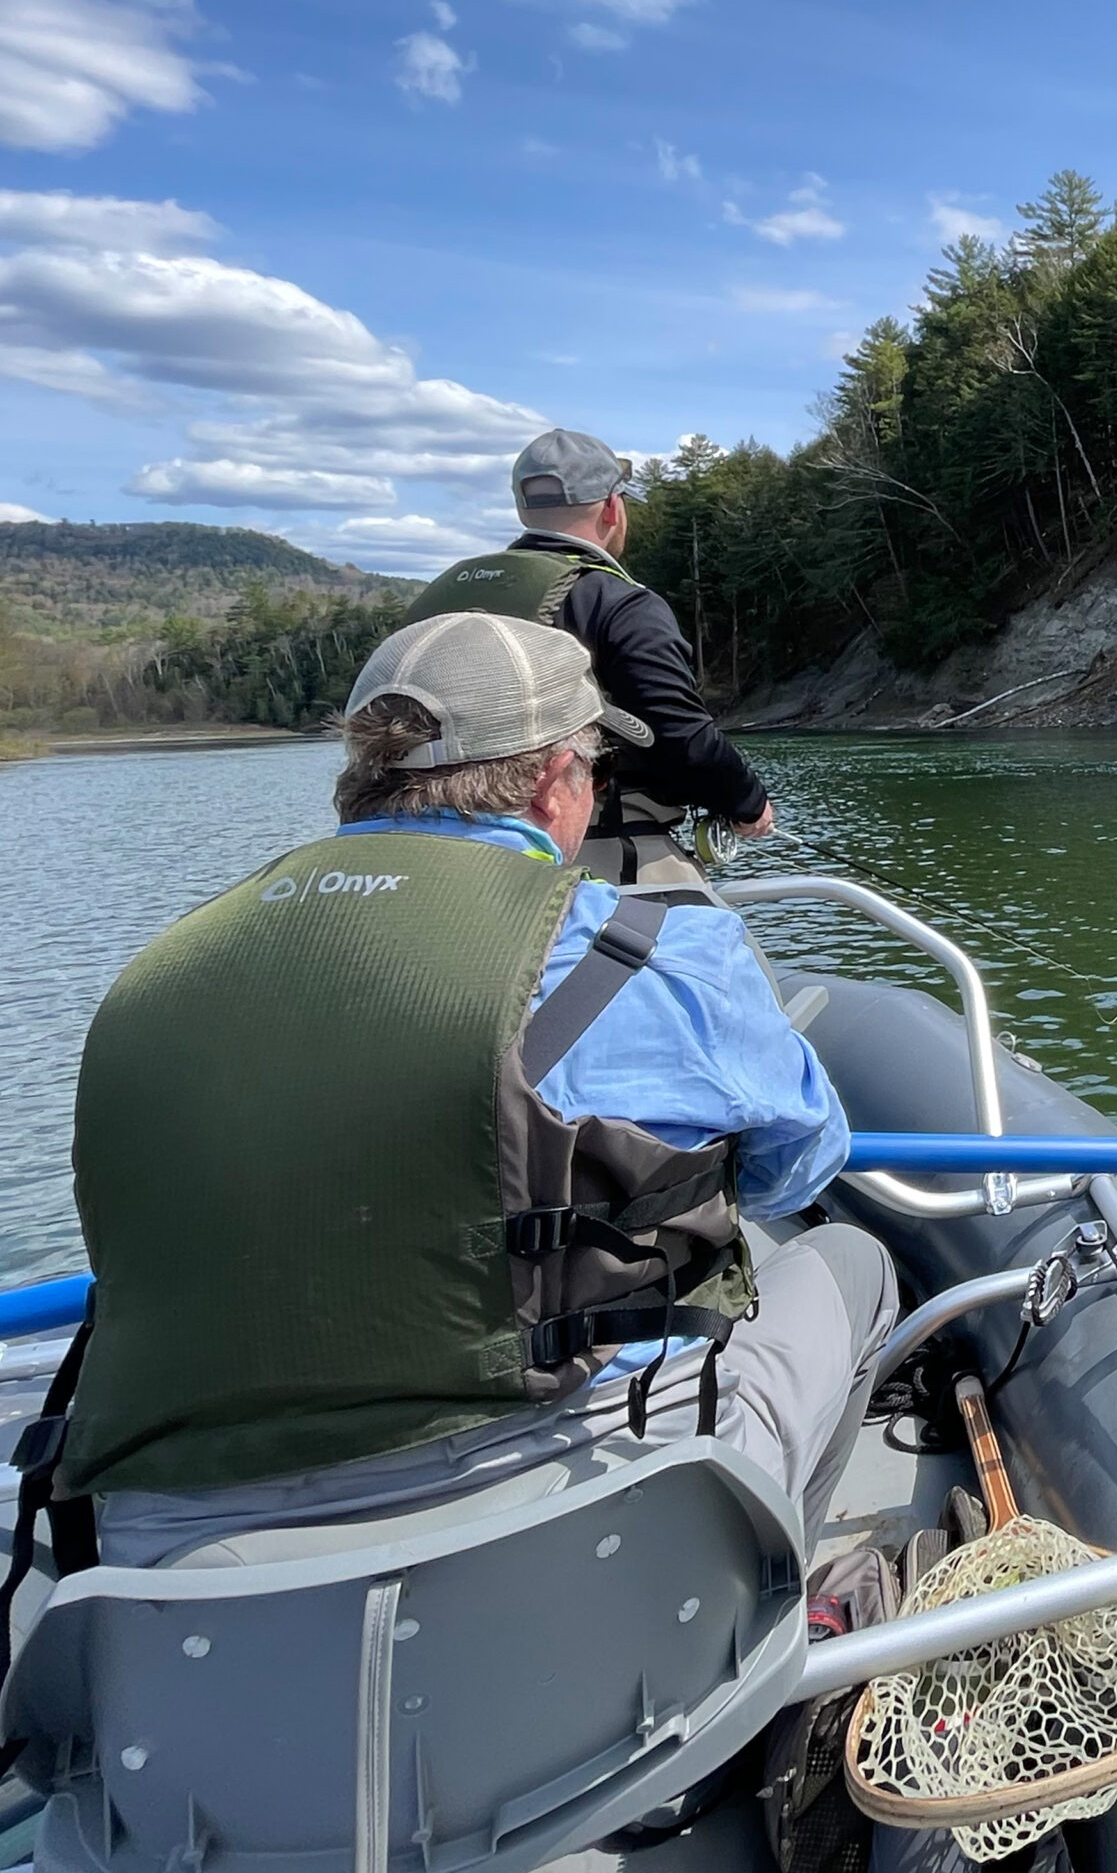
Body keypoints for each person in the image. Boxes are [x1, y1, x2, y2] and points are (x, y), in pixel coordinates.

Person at [60, 610, 895, 1565]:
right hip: (578, 1508)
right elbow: (795, 1170)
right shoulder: (660, 949)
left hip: (176, 1554)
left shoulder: (159, 974)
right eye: (593, 768)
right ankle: (773, 1606)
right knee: (852, 1262)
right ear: (553, 781)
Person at [405, 426, 773, 884]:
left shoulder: (441, 599)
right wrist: (748, 802)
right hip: (594, 848)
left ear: (522, 510)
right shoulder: (618, 602)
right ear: (613, 509)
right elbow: (680, 735)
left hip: (433, 856)